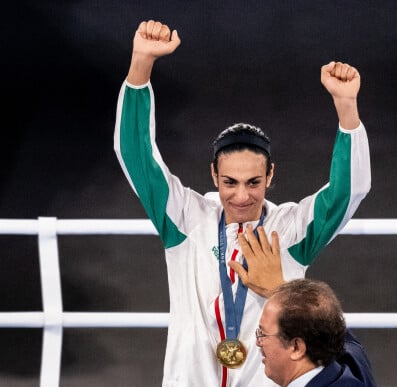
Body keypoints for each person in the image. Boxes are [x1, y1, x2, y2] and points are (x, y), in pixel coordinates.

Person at [114, 19, 371, 387]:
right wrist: (141, 64)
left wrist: (347, 108)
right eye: (229, 182)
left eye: (254, 182)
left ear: (270, 176)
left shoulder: (293, 229)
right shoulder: (185, 219)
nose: (241, 195)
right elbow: (135, 155)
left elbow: (350, 191)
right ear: (214, 176)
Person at [237, 225, 378, 387]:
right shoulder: (352, 368)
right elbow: (338, 333)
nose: (258, 342)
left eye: (263, 334)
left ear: (297, 347)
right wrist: (280, 292)